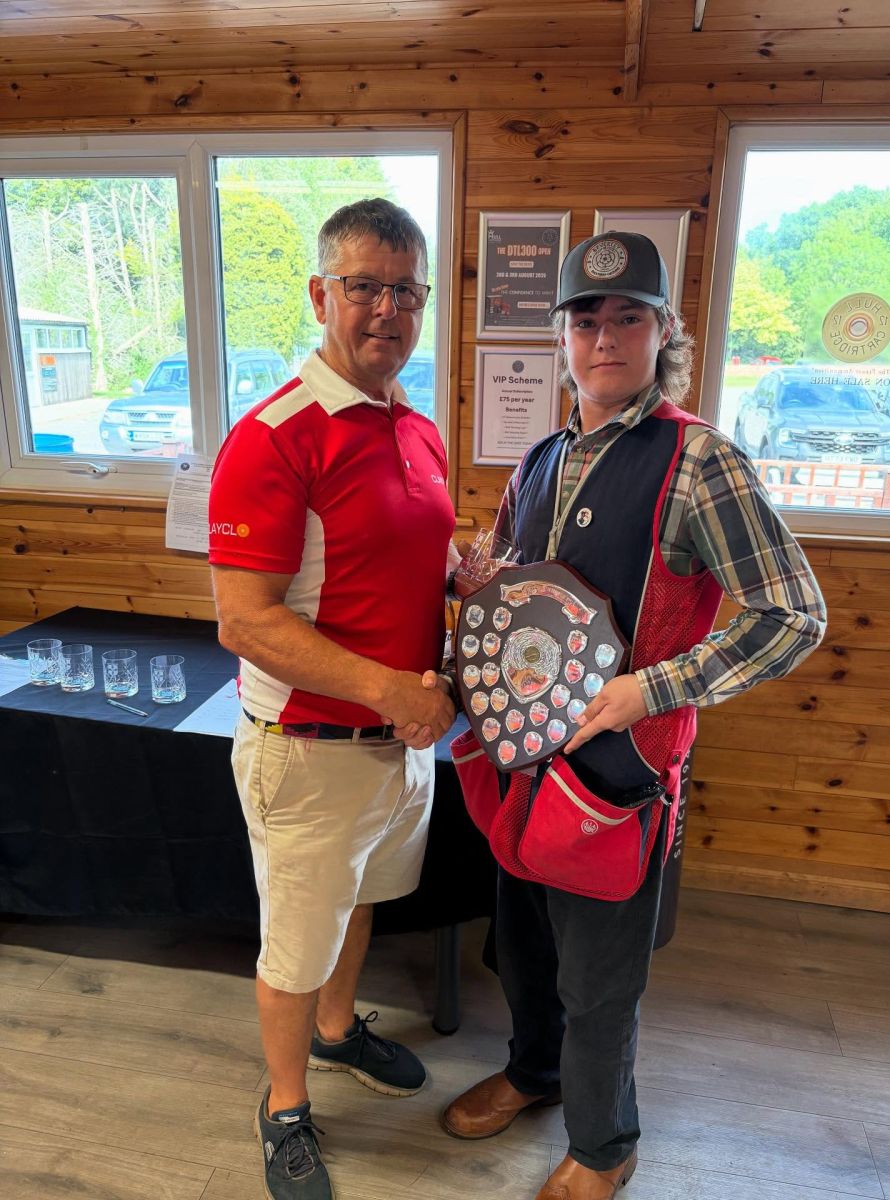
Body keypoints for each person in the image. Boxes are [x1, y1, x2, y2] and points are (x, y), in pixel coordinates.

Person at [438, 231, 827, 1200]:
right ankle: (533, 1073)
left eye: (628, 318)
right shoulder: (539, 459)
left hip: (622, 774)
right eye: (586, 321)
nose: (604, 338)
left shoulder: (701, 461)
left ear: (664, 334)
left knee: (600, 982)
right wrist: (473, 590)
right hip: (524, 759)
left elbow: (795, 615)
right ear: (562, 339)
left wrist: (649, 691)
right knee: (522, 945)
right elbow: (508, 590)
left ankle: (605, 1146)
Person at [208, 198, 457, 1200]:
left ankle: (338, 1029)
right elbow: (245, 621)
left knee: (360, 904)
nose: (387, 309)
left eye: (406, 291)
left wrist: (465, 577)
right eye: (364, 287)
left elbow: (401, 558)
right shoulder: (273, 436)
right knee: (295, 943)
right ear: (321, 295)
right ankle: (284, 1108)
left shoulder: (419, 429)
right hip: (308, 750)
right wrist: (390, 688)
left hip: (400, 747)